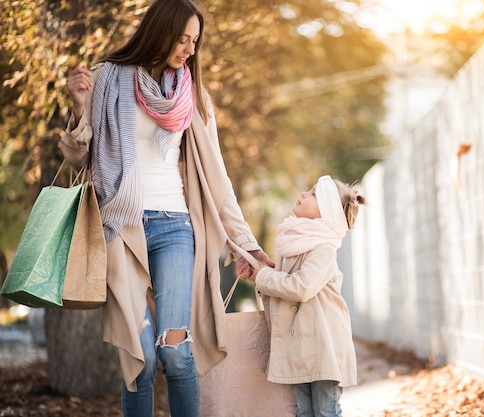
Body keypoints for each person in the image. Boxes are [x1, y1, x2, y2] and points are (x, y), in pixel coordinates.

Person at [60, 0, 274, 416]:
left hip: (175, 229)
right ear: (160, 32)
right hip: (121, 228)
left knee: (175, 354)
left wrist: (246, 244)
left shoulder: (191, 96)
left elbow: (218, 179)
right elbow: (78, 159)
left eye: (195, 42)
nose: (190, 50)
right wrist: (80, 108)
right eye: (183, 39)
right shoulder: (107, 78)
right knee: (139, 359)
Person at [245, 175, 366, 417]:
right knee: (303, 412)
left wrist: (264, 277)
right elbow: (281, 294)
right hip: (297, 348)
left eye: (313, 194)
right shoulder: (292, 245)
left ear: (326, 213)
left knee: (324, 411)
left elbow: (300, 287)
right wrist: (258, 275)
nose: (303, 194)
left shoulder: (323, 250)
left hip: (323, 348)